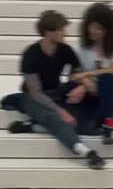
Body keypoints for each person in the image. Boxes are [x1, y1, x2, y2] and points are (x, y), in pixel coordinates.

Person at [18, 10, 104, 169]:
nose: (64, 33)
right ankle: (86, 152)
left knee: (87, 123)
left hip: (56, 92)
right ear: (48, 32)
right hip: (32, 97)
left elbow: (78, 74)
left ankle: (34, 127)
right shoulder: (31, 54)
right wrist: (61, 111)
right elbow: (35, 92)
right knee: (58, 120)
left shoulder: (65, 50)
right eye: (60, 29)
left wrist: (81, 87)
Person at [67, 2, 113, 147]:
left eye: (99, 28)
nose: (93, 31)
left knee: (106, 78)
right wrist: (85, 84)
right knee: (71, 90)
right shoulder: (80, 49)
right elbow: (73, 75)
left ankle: (109, 126)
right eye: (91, 26)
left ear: (107, 31)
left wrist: (87, 74)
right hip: (96, 95)